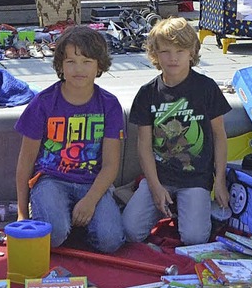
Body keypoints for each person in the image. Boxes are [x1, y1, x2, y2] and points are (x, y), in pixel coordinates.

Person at [14, 25, 125, 253]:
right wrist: (22, 213)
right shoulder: (43, 103)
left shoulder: (110, 105)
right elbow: (25, 161)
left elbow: (112, 164)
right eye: (71, 62)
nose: (79, 69)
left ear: (99, 66)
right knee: (52, 235)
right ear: (60, 66)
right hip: (51, 179)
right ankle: (60, 219)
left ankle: (79, 221)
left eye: (87, 61)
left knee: (111, 241)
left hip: (91, 182)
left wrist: (91, 200)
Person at [121, 17, 231, 245]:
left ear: (192, 52)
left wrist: (219, 180)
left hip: (195, 177)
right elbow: (143, 146)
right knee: (129, 231)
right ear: (155, 54)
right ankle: (168, 204)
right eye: (165, 51)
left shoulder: (206, 88)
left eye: (180, 51)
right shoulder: (147, 93)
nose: (173, 58)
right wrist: (154, 186)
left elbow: (220, 136)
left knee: (194, 238)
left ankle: (192, 208)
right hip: (160, 175)